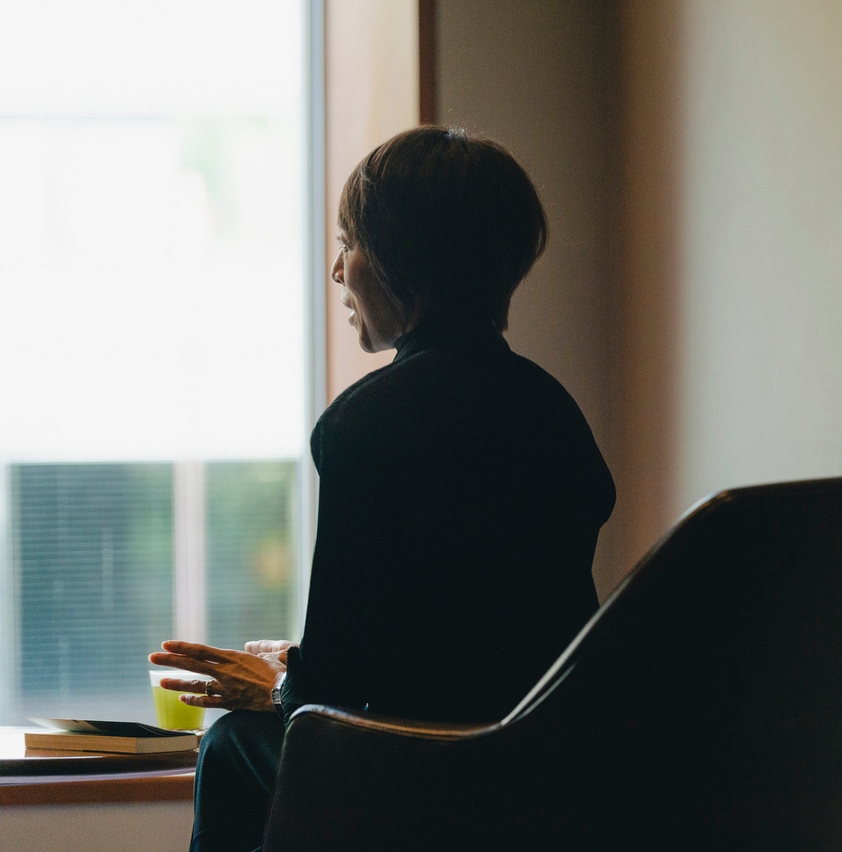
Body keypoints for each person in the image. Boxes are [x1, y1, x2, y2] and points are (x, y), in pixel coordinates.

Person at [149, 126, 616, 852]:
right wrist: (296, 666)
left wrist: (275, 685)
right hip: (552, 788)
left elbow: (327, 698)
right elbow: (479, 639)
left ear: (407, 260)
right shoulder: (555, 412)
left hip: (422, 791)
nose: (339, 272)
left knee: (232, 743)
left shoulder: (366, 422)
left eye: (350, 242)